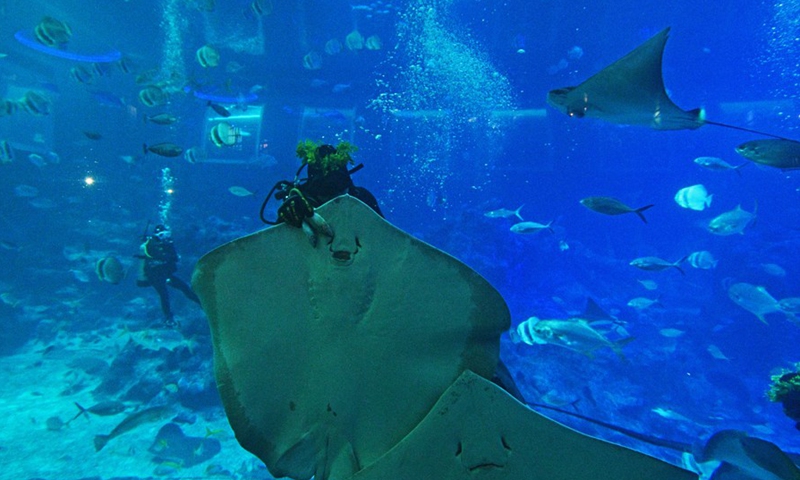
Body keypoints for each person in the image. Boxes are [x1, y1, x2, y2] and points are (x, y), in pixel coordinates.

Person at [261, 140, 382, 232]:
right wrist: (288, 217)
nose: (334, 201)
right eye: (326, 195)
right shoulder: (299, 201)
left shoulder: (362, 197)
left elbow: (383, 234)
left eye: (339, 192)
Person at [135, 224, 200, 327]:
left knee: (184, 287)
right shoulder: (151, 244)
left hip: (165, 274)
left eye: (167, 234)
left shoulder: (168, 244)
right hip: (154, 276)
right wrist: (168, 254)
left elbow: (174, 258)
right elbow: (161, 256)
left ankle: (201, 303)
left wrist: (169, 251)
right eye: (162, 235)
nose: (165, 237)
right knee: (164, 294)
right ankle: (168, 318)